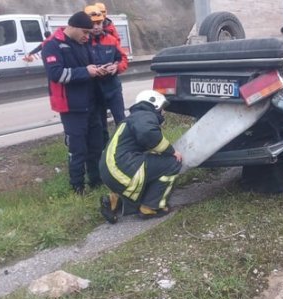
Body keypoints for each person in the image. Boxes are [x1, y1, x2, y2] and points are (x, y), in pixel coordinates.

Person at [41, 11, 107, 194]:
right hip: (71, 107)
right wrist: (86, 72)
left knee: (96, 146)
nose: (87, 36)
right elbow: (56, 74)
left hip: (92, 103)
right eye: (85, 32)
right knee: (78, 149)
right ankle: (77, 186)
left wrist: (99, 70)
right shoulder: (52, 46)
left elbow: (88, 68)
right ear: (74, 27)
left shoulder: (83, 43)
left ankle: (96, 180)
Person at [99, 90, 183, 224]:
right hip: (121, 170)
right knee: (172, 163)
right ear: (154, 105)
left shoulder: (134, 117)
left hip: (110, 171)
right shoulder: (145, 115)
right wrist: (171, 151)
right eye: (162, 108)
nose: (164, 112)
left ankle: (114, 200)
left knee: (153, 161)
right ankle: (151, 207)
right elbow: (147, 133)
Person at [85, 5, 128, 146]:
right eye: (93, 24)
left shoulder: (111, 40)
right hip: (94, 90)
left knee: (121, 121)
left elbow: (123, 59)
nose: (96, 27)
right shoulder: (82, 42)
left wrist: (116, 67)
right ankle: (104, 151)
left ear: (103, 22)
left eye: (99, 23)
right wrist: (94, 70)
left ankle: (124, 148)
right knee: (100, 125)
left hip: (113, 88)